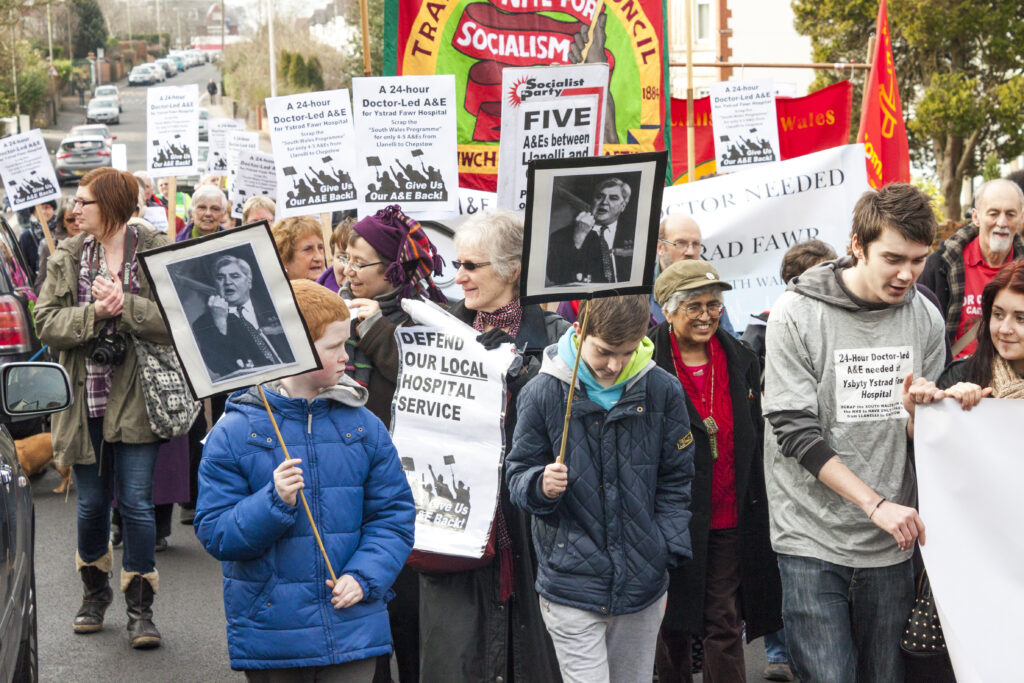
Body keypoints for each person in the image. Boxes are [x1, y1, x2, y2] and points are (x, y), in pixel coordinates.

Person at [762, 183, 947, 682]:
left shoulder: (925, 318)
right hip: (810, 537)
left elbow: (922, 437)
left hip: (891, 543)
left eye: (918, 259)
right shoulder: (796, 314)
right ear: (856, 245)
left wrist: (923, 414)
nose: (907, 273)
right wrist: (874, 503)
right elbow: (794, 430)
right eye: (892, 258)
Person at [195, 279, 416, 680]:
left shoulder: (365, 426)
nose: (346, 356)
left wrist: (364, 577)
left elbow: (394, 516)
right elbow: (216, 532)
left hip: (352, 625)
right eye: (333, 347)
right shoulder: (233, 432)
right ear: (292, 348)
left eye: (345, 344)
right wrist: (273, 501)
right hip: (273, 633)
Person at [506, 294, 695, 683]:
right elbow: (516, 475)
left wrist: (664, 548)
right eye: (605, 352)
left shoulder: (663, 389)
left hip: (644, 582)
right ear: (579, 332)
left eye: (627, 353)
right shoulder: (542, 392)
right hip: (569, 582)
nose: (614, 365)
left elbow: (677, 479)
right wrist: (539, 485)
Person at [418, 209, 567, 683]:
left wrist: (523, 374)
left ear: (512, 269)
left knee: (532, 656)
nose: (458, 277)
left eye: (472, 266)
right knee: (460, 655)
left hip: (527, 518)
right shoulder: (438, 333)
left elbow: (566, 427)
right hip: (455, 517)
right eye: (458, 265)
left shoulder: (555, 339)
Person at [35, 168, 173, 649]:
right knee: (92, 503)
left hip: (137, 397)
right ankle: (94, 595)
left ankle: (141, 609)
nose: (74, 210)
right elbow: (46, 321)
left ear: (112, 205)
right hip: (83, 399)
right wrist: (96, 313)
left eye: (84, 202)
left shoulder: (155, 249)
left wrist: (127, 304)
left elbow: (178, 320)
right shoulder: (70, 255)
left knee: (135, 503)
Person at [649, 260, 781, 683]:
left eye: (714, 305)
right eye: (694, 306)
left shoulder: (741, 358)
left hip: (729, 514)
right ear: (667, 310)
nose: (707, 314)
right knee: (672, 624)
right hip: (669, 518)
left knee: (723, 621)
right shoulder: (646, 363)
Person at [339, 205, 445, 683]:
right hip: (347, 481)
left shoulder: (427, 316)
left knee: (409, 613)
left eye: (358, 261)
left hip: (405, 485)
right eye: (344, 257)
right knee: (365, 614)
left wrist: (374, 330)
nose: (346, 269)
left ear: (392, 267)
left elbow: (420, 385)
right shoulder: (334, 305)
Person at [920, 178, 1024, 358]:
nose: (1002, 222)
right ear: (976, 217)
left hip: (1012, 380)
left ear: (1021, 218)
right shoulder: (940, 266)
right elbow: (920, 329)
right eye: (993, 213)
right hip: (953, 378)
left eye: (1010, 214)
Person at [191, 254, 294, 380]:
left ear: (249, 282)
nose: (228, 282)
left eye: (235, 276)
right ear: (216, 284)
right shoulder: (203, 323)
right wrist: (220, 321)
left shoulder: (275, 306)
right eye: (220, 278)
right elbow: (217, 365)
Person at [938, 258, 1024, 401]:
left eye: (1021, 318)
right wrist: (948, 404)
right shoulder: (962, 377)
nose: (1004, 329)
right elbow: (932, 422)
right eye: (998, 314)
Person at [546, 178, 635, 286]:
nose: (604, 202)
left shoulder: (634, 235)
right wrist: (579, 237)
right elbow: (556, 275)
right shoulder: (561, 236)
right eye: (599, 197)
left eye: (613, 198)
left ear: (623, 206)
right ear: (593, 200)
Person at [35, 199, 82, 289]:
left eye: (80, 218)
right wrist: (55, 287)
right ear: (62, 222)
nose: (76, 223)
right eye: (70, 219)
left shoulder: (96, 243)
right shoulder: (50, 246)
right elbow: (38, 286)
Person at [272, 216, 326, 281]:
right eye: (308, 249)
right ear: (284, 259)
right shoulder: (275, 290)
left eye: (320, 248)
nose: (319, 257)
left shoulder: (336, 289)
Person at [19, 198, 56, 280]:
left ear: (53, 209)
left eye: (47, 207)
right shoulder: (26, 237)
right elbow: (24, 267)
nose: (43, 212)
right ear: (33, 211)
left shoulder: (62, 230)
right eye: (40, 208)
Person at [316, 218, 355, 294]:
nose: (347, 269)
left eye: (358, 260)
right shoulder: (315, 299)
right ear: (333, 257)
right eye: (342, 258)